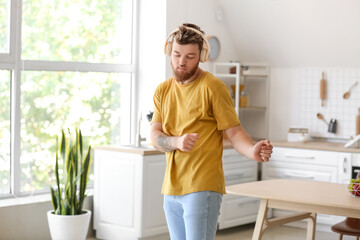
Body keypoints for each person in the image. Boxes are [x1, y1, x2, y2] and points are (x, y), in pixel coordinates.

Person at [150, 23, 273, 240]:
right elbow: (155, 136)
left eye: (190, 56)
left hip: (202, 187)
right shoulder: (163, 90)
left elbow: (235, 132)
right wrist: (177, 142)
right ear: (169, 51)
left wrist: (251, 150)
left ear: (201, 56)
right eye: (177, 54)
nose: (181, 62)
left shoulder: (213, 88)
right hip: (171, 189)